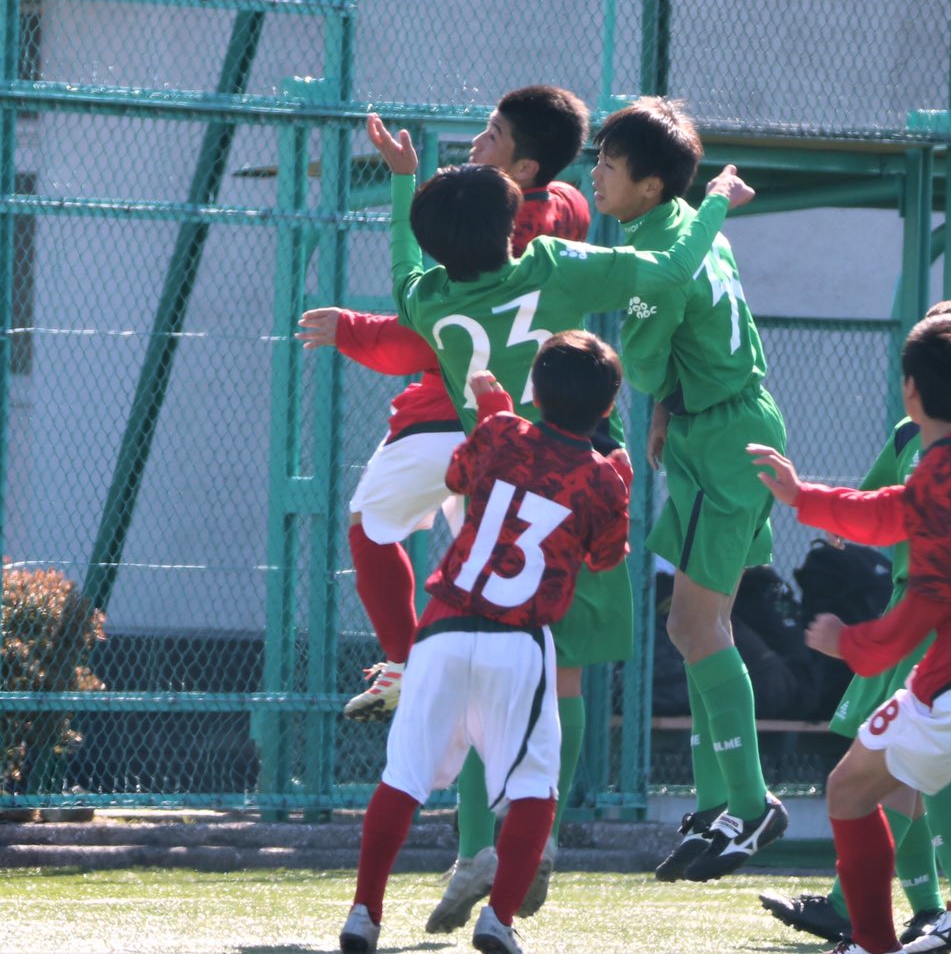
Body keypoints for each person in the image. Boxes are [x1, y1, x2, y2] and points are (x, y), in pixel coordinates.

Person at [297, 88, 600, 931]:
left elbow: (421, 318)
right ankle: (498, 846)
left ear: (523, 166)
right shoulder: (555, 224)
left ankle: (407, 668)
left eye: (493, 134)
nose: (473, 142)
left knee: (385, 543)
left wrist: (356, 322)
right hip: (550, 459)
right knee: (524, 659)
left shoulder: (500, 231)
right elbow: (575, 212)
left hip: (458, 428)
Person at [746, 312, 951, 954]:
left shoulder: (943, 469)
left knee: (849, 787)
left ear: (910, 388)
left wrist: (850, 645)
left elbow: (920, 609)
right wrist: (803, 497)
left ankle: (880, 940)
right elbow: (895, 509)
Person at [340, 335, 632, 954]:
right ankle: (498, 921)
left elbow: (457, 473)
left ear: (538, 391)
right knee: (533, 789)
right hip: (517, 639)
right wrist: (616, 483)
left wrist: (494, 410)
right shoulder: (604, 478)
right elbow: (605, 558)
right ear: (606, 410)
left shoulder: (501, 433)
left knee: (404, 777)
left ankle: (364, 913)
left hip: (443, 629)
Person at [589, 97, 791, 879]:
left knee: (697, 627)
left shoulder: (653, 258)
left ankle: (750, 803)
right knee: (696, 625)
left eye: (609, 162)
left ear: (648, 186)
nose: (597, 172)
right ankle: (717, 805)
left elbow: (639, 365)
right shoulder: (690, 228)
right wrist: (672, 406)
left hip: (722, 440)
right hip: (728, 422)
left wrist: (659, 396)